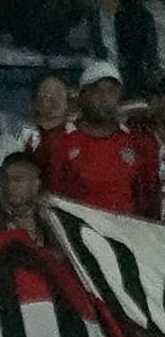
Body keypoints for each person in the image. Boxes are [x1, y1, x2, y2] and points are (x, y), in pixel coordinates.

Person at [40, 62, 161, 219]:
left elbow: (149, 199)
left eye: (112, 91)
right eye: (97, 90)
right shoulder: (58, 141)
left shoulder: (136, 141)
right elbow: (49, 197)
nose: (105, 98)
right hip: (78, 230)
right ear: (82, 96)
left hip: (127, 231)